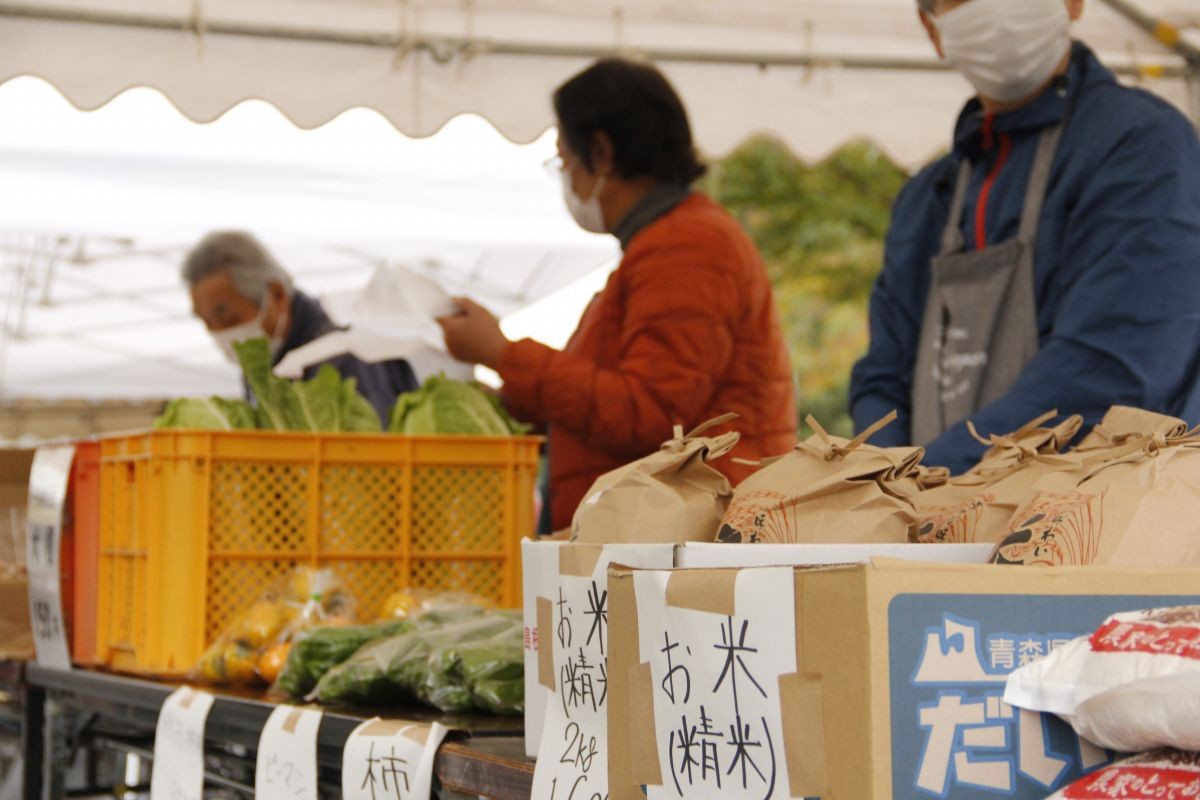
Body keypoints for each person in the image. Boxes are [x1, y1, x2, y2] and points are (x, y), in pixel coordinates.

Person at [438, 58, 797, 533]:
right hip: (667, 532)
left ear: (601, 152)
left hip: (691, 538)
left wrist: (503, 354)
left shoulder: (688, 246)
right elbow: (609, 405)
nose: (565, 177)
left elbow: (651, 414)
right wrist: (506, 403)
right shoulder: (663, 244)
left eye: (564, 159)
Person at [850, 0, 1200, 473]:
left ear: (1073, 4)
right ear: (932, 28)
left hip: (1094, 525)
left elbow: (1109, 371)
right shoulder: (927, 196)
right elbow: (883, 376)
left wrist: (934, 479)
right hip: (933, 531)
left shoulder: (1141, 148)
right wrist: (883, 481)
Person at [183, 231, 419, 425]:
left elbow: (372, 451)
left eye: (227, 318)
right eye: (206, 323)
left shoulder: (341, 346)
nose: (219, 333)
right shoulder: (261, 363)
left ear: (276, 294)